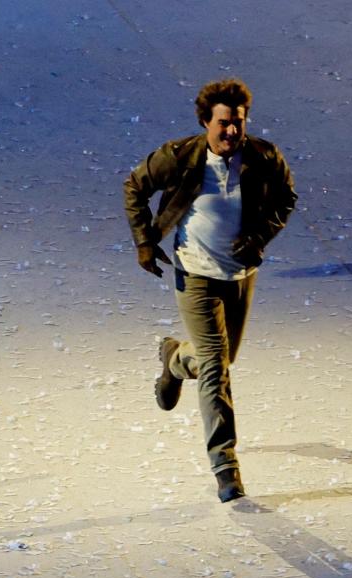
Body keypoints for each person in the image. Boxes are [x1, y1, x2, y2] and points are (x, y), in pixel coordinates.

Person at [124, 78, 297, 502]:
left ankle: (175, 359)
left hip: (239, 275)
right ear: (206, 122)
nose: (232, 132)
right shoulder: (180, 157)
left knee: (219, 361)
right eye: (224, 123)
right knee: (218, 369)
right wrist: (145, 241)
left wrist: (259, 235)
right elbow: (134, 188)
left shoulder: (263, 156)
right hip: (195, 272)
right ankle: (225, 466)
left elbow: (285, 199)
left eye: (238, 123)